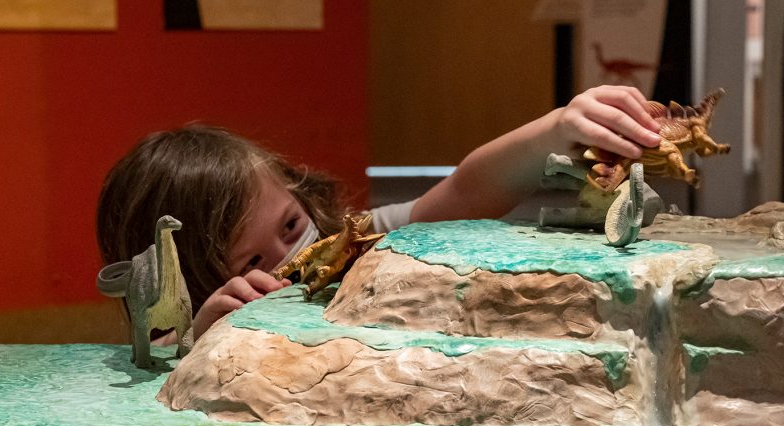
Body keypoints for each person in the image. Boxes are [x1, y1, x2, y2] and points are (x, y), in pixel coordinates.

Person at [96, 85, 661, 340]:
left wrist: (560, 127)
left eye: (291, 226)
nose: (289, 256)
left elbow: (467, 192)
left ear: (298, 191)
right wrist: (198, 343)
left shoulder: (359, 245)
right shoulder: (190, 328)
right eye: (251, 262)